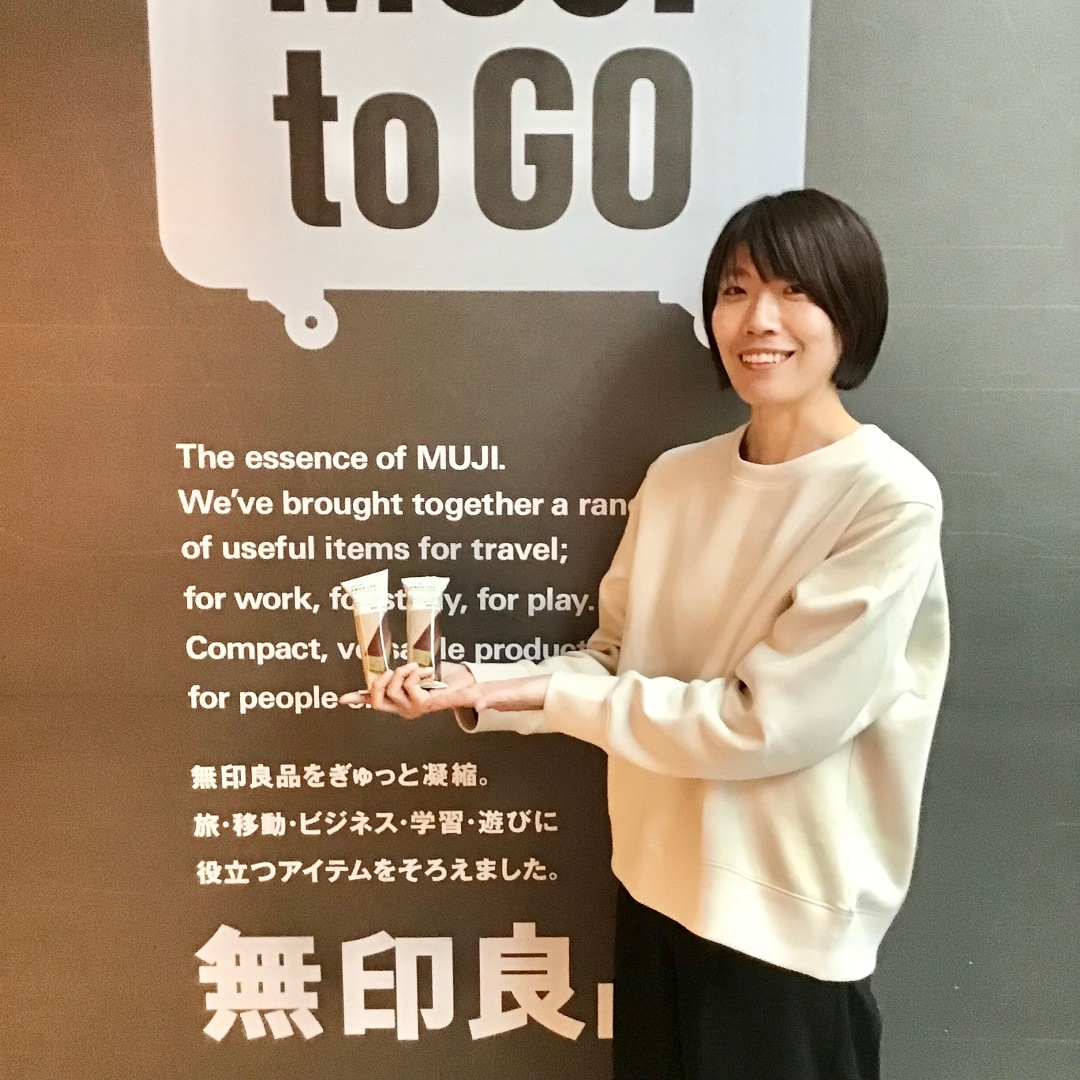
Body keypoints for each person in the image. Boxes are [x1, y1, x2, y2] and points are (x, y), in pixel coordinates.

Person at [341, 188, 950, 1080]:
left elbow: (764, 725)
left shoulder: (888, 497)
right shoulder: (675, 478)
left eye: (794, 291)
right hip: (655, 889)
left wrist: (542, 692)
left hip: (781, 924)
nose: (760, 319)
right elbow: (615, 661)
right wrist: (483, 687)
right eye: (736, 290)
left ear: (851, 314)